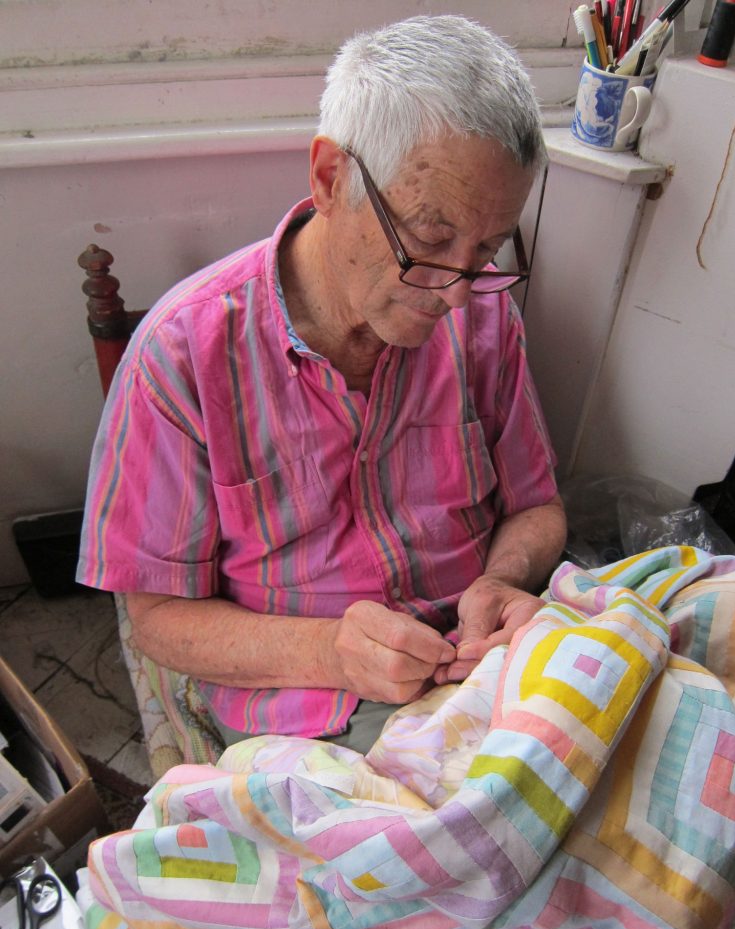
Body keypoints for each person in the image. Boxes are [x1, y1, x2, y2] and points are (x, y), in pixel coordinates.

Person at [77, 15, 567, 755]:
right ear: (331, 178)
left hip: (489, 667)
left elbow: (538, 507)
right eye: (431, 240)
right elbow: (155, 619)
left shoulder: (486, 321)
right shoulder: (180, 356)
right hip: (318, 713)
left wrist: (502, 579)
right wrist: (333, 651)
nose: (458, 294)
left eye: (488, 250)